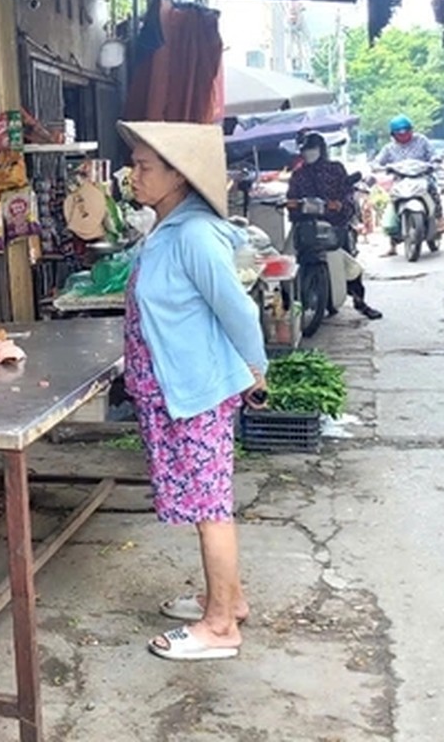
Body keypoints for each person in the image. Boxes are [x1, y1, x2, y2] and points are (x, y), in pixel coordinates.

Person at [117, 121, 269, 661]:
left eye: (144, 167)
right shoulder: (167, 229)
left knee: (210, 507)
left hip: (196, 393)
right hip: (174, 392)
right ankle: (231, 598)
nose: (131, 176)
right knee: (206, 503)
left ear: (178, 175)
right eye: (133, 164)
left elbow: (240, 310)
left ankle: (221, 625)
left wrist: (257, 368)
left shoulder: (196, 236)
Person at [287, 132, 383, 320]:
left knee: (352, 269)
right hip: (305, 227)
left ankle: (360, 302)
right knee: (286, 263)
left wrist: (339, 205)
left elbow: (347, 195)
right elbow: (291, 198)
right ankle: (286, 306)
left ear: (321, 150)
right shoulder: (298, 175)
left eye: (312, 149)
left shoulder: (336, 169)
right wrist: (291, 205)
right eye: (305, 150)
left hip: (333, 227)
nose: (309, 153)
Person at [372, 115, 441, 256]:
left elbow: (434, 155)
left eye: (406, 132)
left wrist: (434, 162)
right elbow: (377, 162)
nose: (404, 136)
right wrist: (379, 167)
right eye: (400, 133)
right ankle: (392, 245)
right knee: (392, 202)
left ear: (411, 130)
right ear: (393, 134)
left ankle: (439, 220)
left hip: (422, 177)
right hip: (400, 180)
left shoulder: (421, 140)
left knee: (433, 190)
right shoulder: (389, 148)